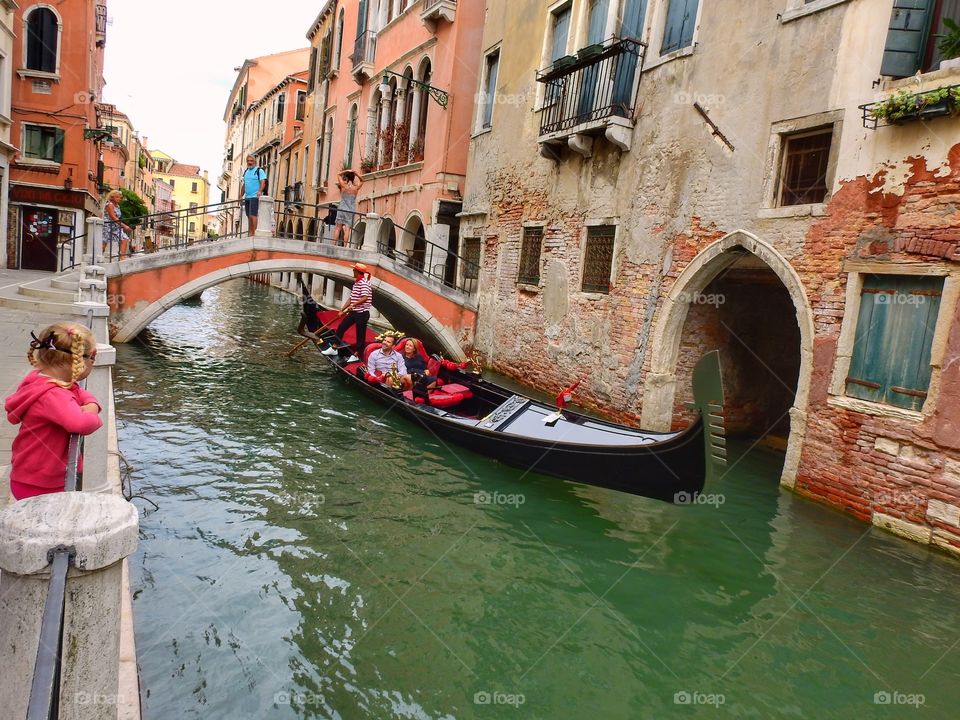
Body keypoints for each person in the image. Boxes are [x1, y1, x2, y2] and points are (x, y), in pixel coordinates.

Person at [4, 322, 102, 501]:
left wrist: (89, 400)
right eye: (93, 358)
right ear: (82, 360)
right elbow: (80, 423)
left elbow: (76, 390)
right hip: (43, 484)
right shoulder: (54, 395)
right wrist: (93, 411)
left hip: (26, 476)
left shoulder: (38, 379)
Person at [323, 262, 372, 362]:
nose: (352, 271)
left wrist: (353, 305)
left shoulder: (364, 283)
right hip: (354, 312)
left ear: (357, 271)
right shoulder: (357, 282)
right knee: (341, 327)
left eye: (354, 270)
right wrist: (342, 310)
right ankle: (334, 348)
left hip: (362, 313)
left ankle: (357, 354)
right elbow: (351, 298)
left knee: (360, 334)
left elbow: (365, 297)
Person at [333, 169, 363, 247]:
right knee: (347, 229)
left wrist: (346, 171)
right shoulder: (355, 188)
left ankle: (333, 244)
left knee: (338, 228)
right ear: (353, 178)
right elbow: (362, 181)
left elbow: (338, 174)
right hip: (350, 210)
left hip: (342, 208)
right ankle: (345, 246)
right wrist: (356, 173)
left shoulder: (344, 186)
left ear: (347, 177)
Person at [241, 155, 267, 237]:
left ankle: (254, 233)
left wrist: (260, 191)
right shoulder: (246, 172)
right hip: (247, 197)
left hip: (254, 197)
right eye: (248, 161)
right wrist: (240, 195)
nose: (249, 162)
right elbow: (244, 184)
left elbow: (263, 182)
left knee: (253, 215)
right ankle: (250, 232)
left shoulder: (259, 171)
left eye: (251, 161)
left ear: (255, 162)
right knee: (248, 215)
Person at [104, 190, 132, 260]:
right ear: (112, 197)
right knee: (104, 243)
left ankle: (122, 257)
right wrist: (124, 226)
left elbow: (117, 217)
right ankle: (97, 259)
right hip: (107, 226)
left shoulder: (117, 206)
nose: (119, 199)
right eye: (117, 197)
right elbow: (113, 217)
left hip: (115, 226)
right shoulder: (109, 205)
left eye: (120, 197)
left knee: (124, 238)